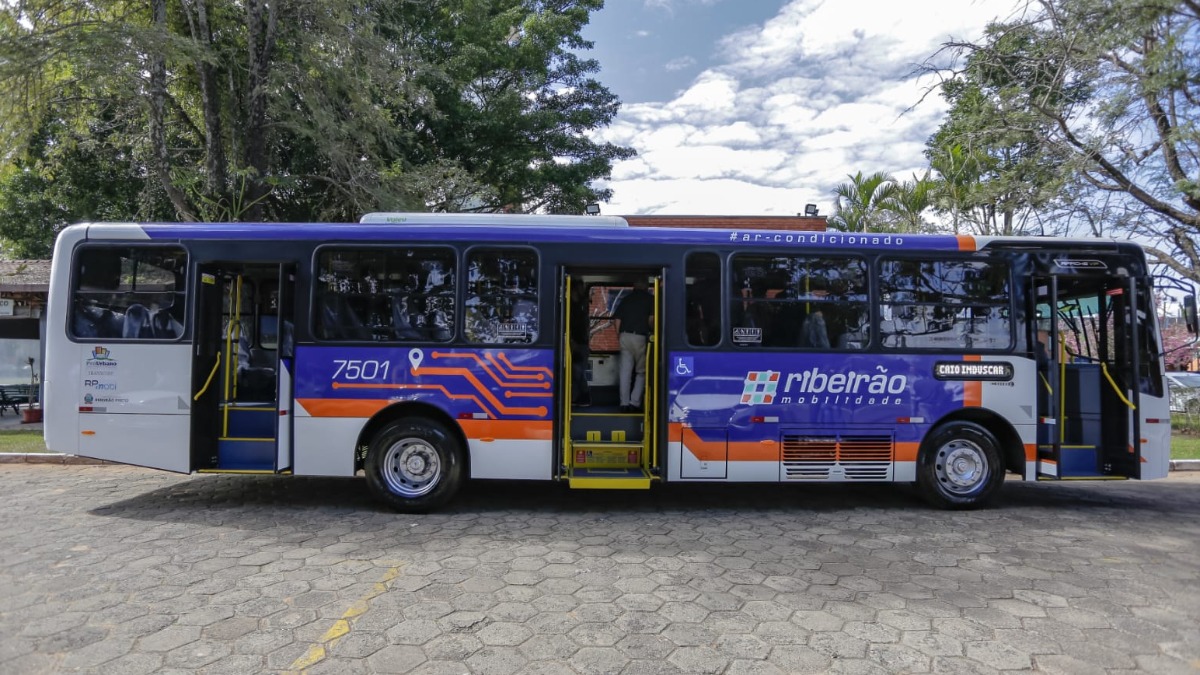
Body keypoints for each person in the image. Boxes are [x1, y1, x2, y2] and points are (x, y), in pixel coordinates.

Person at [614, 279, 654, 413]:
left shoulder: (626, 299)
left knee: (625, 371)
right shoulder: (650, 299)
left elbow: (617, 320)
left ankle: (623, 403)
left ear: (634, 286)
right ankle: (634, 402)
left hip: (624, 336)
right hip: (640, 337)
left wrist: (619, 335)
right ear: (646, 286)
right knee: (641, 372)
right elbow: (651, 320)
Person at [569, 281, 591, 406]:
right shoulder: (570, 306)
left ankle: (581, 397)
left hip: (581, 342)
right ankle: (580, 397)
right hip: (574, 342)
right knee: (577, 371)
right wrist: (572, 342)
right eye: (581, 287)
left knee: (578, 371)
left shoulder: (580, 305)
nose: (583, 290)